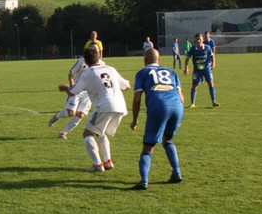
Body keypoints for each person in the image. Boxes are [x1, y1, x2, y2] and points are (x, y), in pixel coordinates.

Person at [59, 46, 130, 172]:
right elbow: (127, 86)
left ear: (85, 61)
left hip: (104, 106)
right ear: (99, 57)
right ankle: (108, 162)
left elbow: (73, 93)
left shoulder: (87, 73)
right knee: (100, 132)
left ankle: (98, 165)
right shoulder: (111, 69)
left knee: (87, 133)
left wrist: (65, 88)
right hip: (120, 106)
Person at [130, 48, 185, 189]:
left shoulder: (142, 72)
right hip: (177, 107)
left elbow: (137, 99)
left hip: (159, 106)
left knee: (148, 146)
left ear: (144, 60)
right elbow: (181, 97)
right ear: (159, 59)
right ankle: (176, 172)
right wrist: (179, 119)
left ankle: (144, 180)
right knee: (167, 139)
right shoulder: (171, 72)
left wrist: (135, 119)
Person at [47, 46, 95, 139]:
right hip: (77, 89)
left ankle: (63, 133)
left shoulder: (100, 64)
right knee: (71, 113)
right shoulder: (81, 61)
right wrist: (72, 83)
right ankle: (57, 116)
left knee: (80, 115)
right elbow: (71, 73)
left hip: (88, 93)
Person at [184, 33, 218, 108]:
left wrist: (213, 64)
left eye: (200, 39)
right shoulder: (193, 48)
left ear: (202, 39)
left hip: (206, 69)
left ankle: (214, 101)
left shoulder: (207, 48)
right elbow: (187, 59)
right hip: (197, 70)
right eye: (197, 39)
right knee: (194, 85)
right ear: (195, 40)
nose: (198, 40)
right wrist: (186, 68)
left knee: (210, 83)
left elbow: (212, 56)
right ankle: (192, 103)